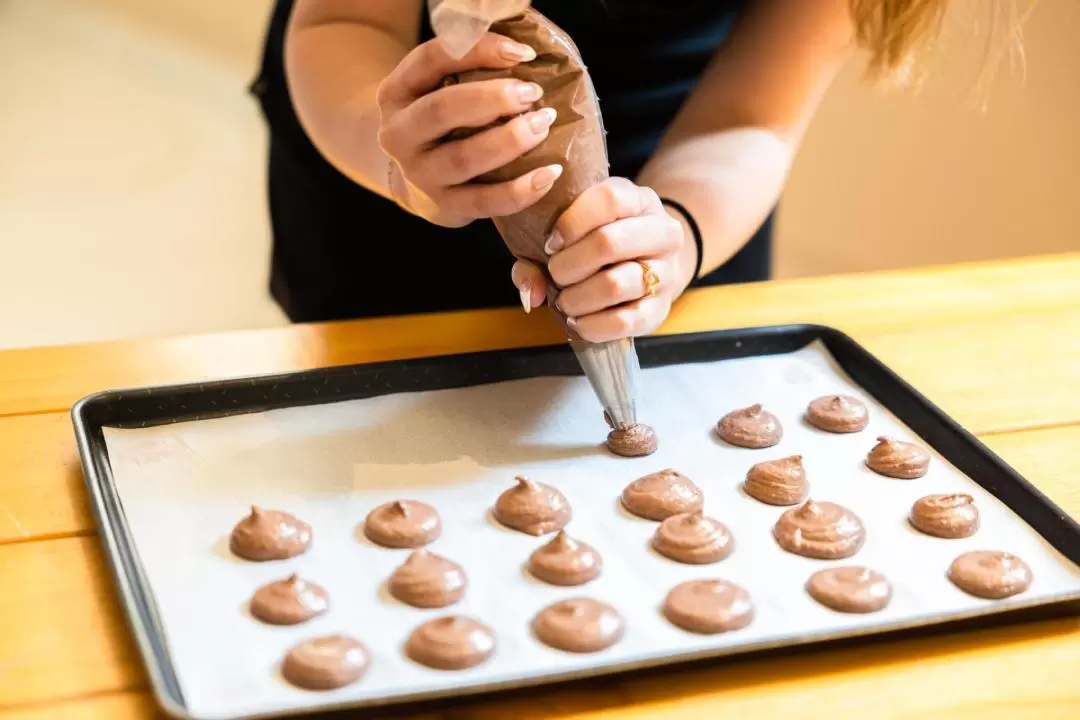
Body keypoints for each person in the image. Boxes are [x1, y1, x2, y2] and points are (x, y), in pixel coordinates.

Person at [251, 0, 952, 341]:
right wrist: (391, 156)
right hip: (386, 136)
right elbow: (345, 20)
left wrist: (673, 241)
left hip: (690, 166)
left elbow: (749, 119)